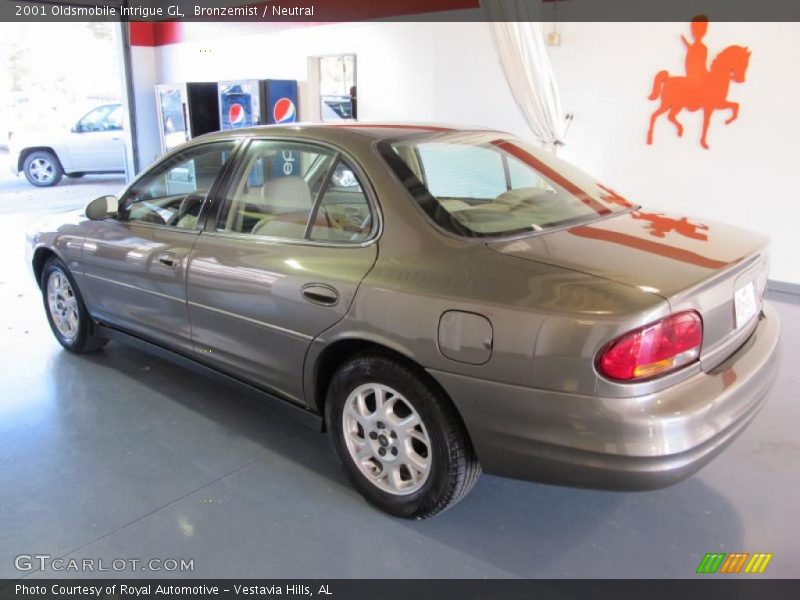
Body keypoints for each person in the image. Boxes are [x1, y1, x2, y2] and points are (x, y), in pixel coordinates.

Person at [681, 15, 710, 84]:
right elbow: (698, 64)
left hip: (696, 74)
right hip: (695, 76)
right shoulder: (701, 48)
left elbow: (702, 64)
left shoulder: (702, 47)